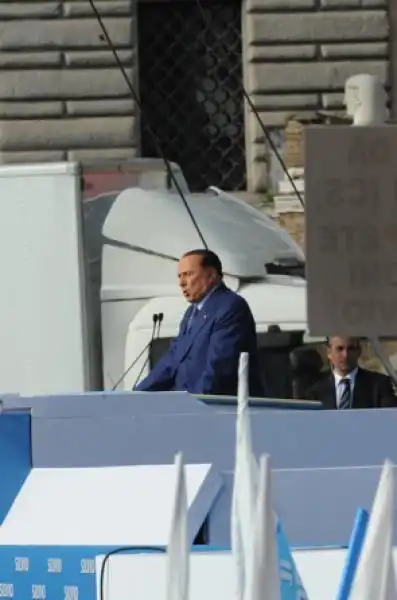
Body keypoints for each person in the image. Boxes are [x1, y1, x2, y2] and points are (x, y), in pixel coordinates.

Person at [135, 249, 265, 397]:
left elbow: (219, 369)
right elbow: (172, 361)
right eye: (179, 276)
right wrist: (136, 395)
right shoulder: (191, 313)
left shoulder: (230, 307)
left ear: (211, 275)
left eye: (188, 274)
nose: (182, 283)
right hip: (191, 407)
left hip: (216, 410)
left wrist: (192, 403)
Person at [303, 335, 397, 409]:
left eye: (351, 349)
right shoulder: (313, 388)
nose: (345, 355)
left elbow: (389, 420)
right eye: (340, 349)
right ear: (329, 352)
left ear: (359, 351)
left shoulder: (379, 385)